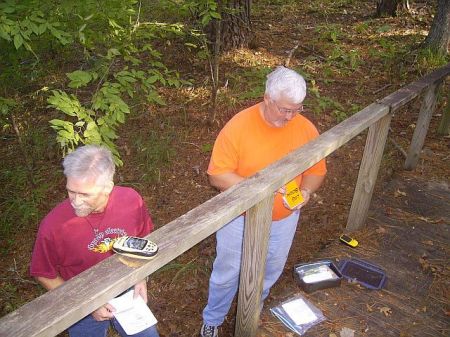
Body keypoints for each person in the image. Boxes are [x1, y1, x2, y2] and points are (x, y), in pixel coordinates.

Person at [200, 66, 327, 337]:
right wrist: (261, 189)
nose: (291, 116)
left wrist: (305, 192)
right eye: (285, 109)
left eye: (297, 109)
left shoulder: (305, 128)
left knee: (269, 269)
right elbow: (217, 175)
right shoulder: (239, 126)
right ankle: (213, 318)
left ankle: (251, 309)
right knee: (228, 272)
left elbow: (317, 171)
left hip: (284, 218)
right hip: (240, 216)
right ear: (267, 98)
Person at [30, 145, 159, 337]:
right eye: (71, 191)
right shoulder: (54, 226)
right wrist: (86, 304)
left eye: (85, 194)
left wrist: (141, 276)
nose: (76, 201)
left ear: (108, 186)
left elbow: (142, 238)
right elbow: (43, 273)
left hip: (126, 289)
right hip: (81, 301)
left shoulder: (131, 200)